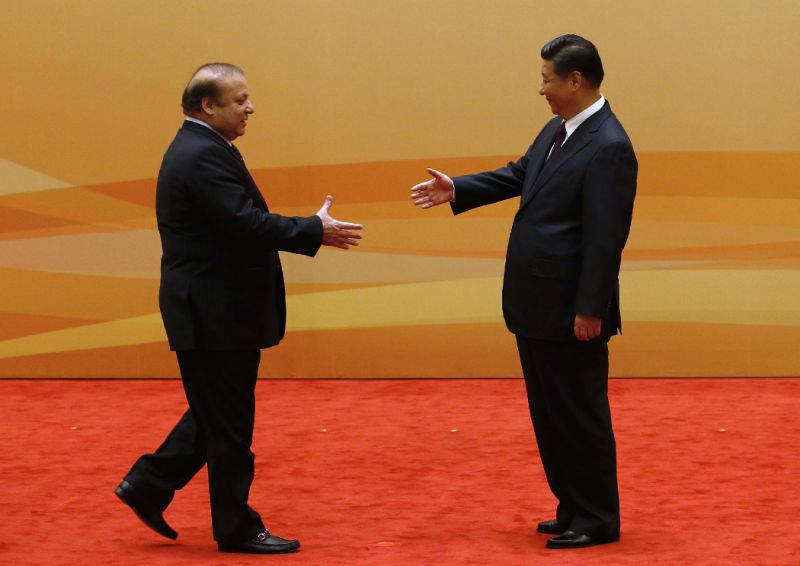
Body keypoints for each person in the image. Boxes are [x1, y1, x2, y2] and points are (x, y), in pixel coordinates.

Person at [115, 62, 363, 555]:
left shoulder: (204, 148)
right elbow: (246, 224)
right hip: (213, 314)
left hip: (217, 311)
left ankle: (148, 484)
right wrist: (315, 230)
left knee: (216, 413)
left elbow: (241, 224)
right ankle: (237, 527)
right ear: (207, 105)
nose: (250, 108)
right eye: (239, 100)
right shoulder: (200, 155)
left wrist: (308, 228)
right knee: (230, 425)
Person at [411, 34, 636, 549]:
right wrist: (458, 189)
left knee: (580, 413)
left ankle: (598, 516)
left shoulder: (610, 145)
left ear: (575, 80)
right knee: (551, 413)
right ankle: (572, 503)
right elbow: (521, 174)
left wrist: (590, 309)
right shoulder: (559, 129)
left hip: (571, 311)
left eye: (546, 79)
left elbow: (606, 239)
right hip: (537, 304)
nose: (541, 90)